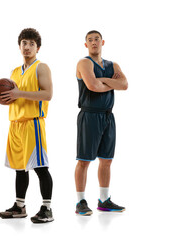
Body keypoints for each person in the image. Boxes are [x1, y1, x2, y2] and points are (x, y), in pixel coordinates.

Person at [0, 28, 54, 223]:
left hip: (33, 124)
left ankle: (47, 208)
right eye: (24, 43)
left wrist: (19, 94)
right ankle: (19, 206)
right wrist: (1, 97)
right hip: (15, 124)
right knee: (19, 168)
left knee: (40, 167)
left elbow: (47, 95)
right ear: (19, 46)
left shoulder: (41, 67)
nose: (27, 47)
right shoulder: (13, 72)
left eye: (31, 44)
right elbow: (12, 96)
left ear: (38, 47)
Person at [75, 30, 128, 215]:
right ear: (86, 45)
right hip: (89, 115)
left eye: (96, 39)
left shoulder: (113, 65)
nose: (93, 42)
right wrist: (111, 83)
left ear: (102, 42)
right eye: (90, 40)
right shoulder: (83, 63)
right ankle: (80, 202)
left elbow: (124, 85)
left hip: (108, 116)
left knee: (107, 160)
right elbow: (92, 86)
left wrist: (102, 80)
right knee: (84, 160)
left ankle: (104, 200)